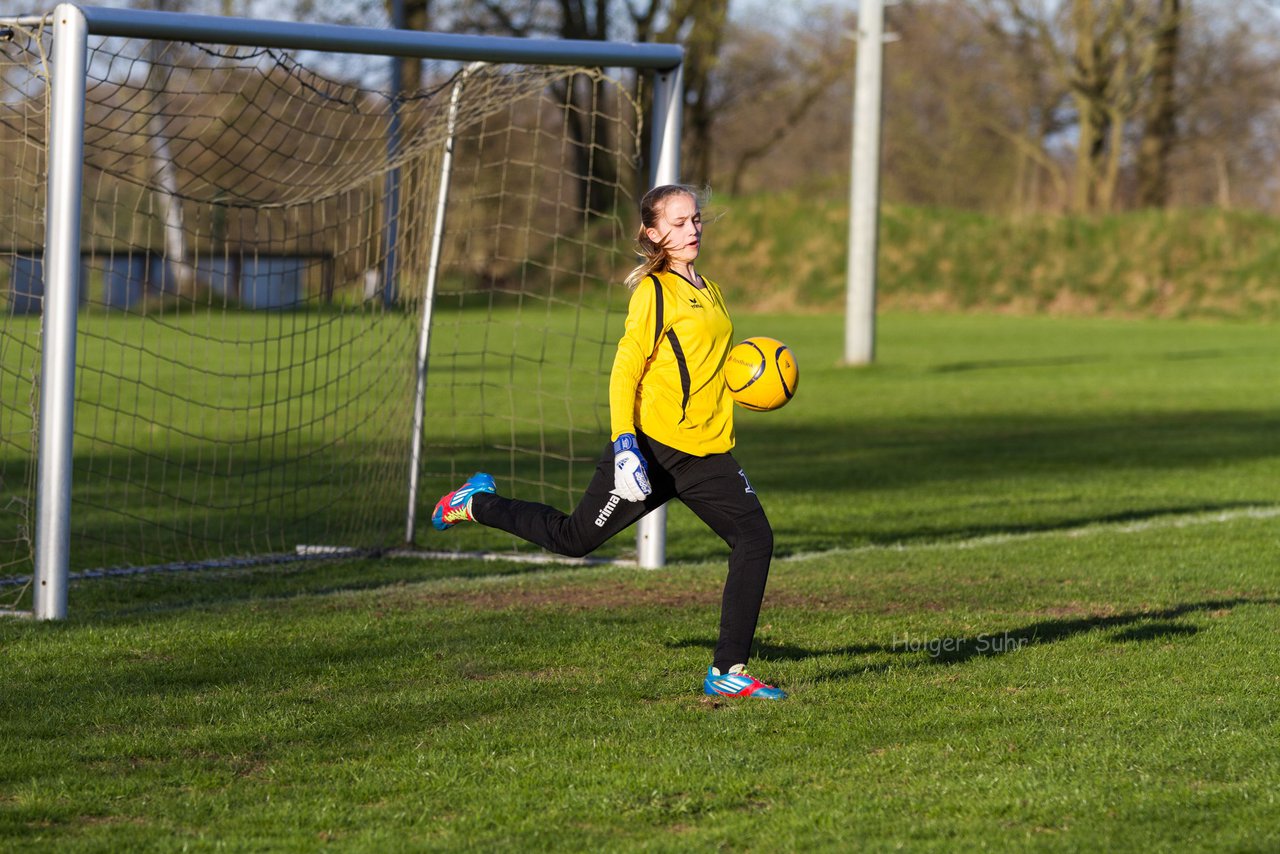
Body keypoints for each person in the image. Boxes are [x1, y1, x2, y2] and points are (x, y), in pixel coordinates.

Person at [431, 184, 784, 700]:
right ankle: (476, 503)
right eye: (679, 222)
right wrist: (624, 446)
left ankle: (728, 672)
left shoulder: (709, 288)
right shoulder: (654, 292)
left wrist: (749, 378)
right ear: (653, 232)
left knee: (755, 539)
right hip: (651, 449)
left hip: (706, 451)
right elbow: (625, 370)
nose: (692, 230)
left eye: (696, 220)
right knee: (573, 540)